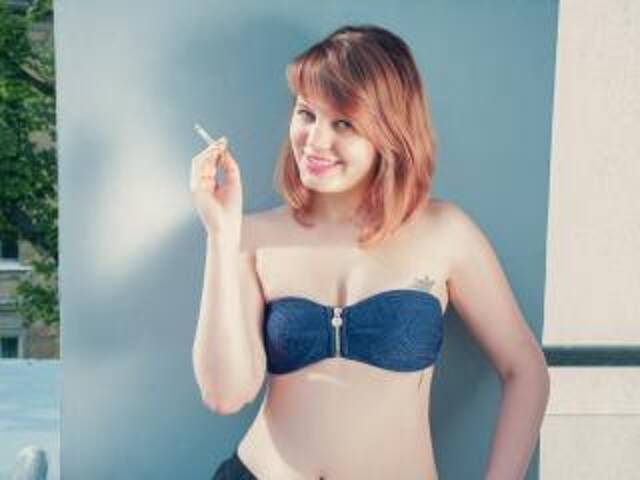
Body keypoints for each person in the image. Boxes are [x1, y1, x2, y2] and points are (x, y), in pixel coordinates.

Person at [190, 24, 550, 480]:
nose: (315, 141)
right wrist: (220, 235)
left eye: (343, 123)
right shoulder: (251, 236)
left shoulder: (446, 232)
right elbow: (225, 395)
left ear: (390, 131)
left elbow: (525, 369)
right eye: (306, 113)